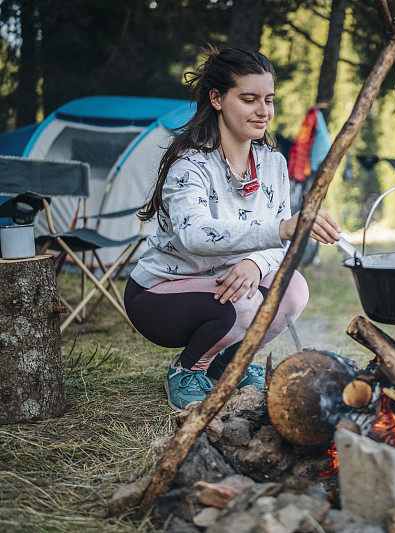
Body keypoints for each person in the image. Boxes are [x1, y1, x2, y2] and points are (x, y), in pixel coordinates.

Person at [125, 47, 341, 411]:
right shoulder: (190, 164)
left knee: (292, 291)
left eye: (269, 100)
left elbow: (279, 241)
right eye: (249, 99)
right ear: (217, 99)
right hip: (160, 294)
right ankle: (187, 369)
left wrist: (256, 262)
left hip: (226, 283)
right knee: (245, 301)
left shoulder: (272, 162)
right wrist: (280, 230)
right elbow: (196, 234)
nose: (264, 111)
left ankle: (230, 364)